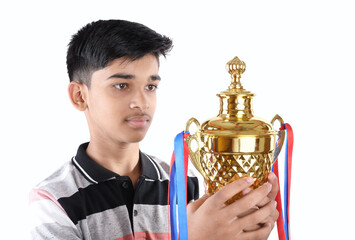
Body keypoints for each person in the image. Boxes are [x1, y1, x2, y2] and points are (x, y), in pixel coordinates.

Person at [29, 19, 279, 240]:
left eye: (150, 86)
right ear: (79, 96)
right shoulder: (54, 200)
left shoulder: (186, 182)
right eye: (121, 85)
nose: (142, 102)